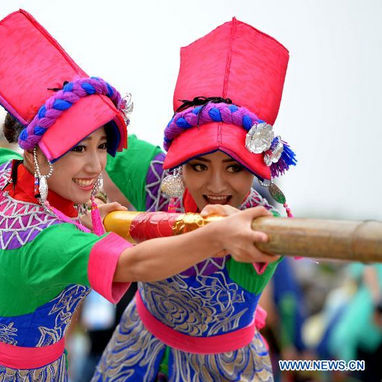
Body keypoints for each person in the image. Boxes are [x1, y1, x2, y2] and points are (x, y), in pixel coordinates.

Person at [0, 11, 278, 382]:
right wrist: (216, 235)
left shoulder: (3, 170)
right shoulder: (50, 240)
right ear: (35, 151)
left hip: (217, 367)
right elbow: (135, 264)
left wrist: (80, 213)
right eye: (77, 148)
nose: (97, 165)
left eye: (100, 146)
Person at [94, 18, 296, 381]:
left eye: (234, 168)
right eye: (199, 165)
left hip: (225, 369)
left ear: (258, 167)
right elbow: (86, 130)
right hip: (134, 353)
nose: (216, 185)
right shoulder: (155, 174)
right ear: (180, 160)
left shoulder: (268, 222)